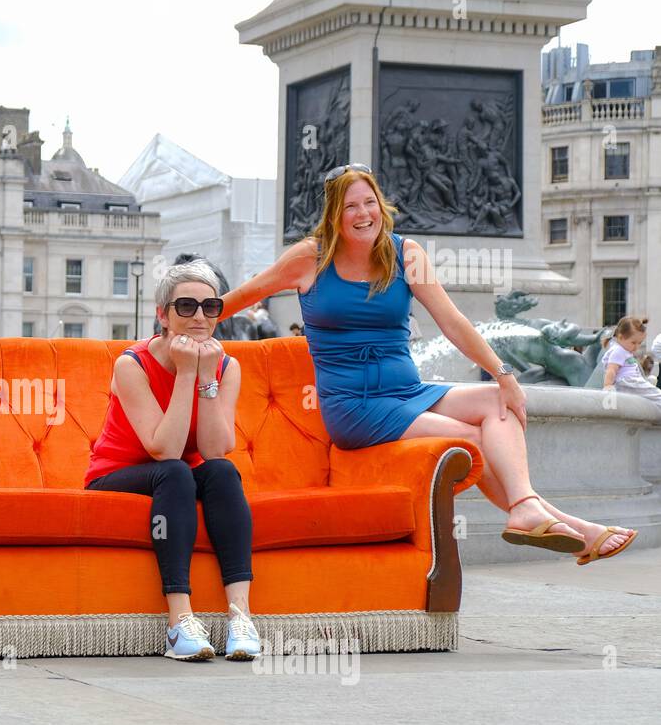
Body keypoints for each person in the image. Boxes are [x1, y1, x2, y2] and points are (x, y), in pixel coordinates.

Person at [219, 163, 636, 567]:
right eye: (351, 207)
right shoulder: (310, 258)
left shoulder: (406, 253)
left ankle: (530, 508)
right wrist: (182, 320)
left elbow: (452, 320)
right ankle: (562, 521)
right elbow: (243, 295)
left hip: (408, 391)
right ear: (334, 215)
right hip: (355, 405)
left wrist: (503, 374)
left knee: (497, 402)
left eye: (370, 203)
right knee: (470, 437)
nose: (364, 214)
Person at [84, 259, 258, 662]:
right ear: (162, 314)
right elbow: (164, 448)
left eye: (209, 307)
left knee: (222, 472)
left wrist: (207, 377)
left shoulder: (226, 366)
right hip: (117, 475)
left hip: (180, 474)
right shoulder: (132, 364)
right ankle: (179, 623)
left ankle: (241, 617)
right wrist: (185, 374)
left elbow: (215, 449)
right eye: (186, 307)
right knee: (177, 471)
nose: (199, 317)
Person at [603, 317, 661, 410]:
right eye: (633, 342)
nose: (636, 347)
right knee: (656, 394)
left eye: (639, 343)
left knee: (653, 393)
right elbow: (611, 369)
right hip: (628, 382)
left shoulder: (624, 350)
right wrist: (608, 386)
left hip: (630, 382)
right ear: (621, 337)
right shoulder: (618, 351)